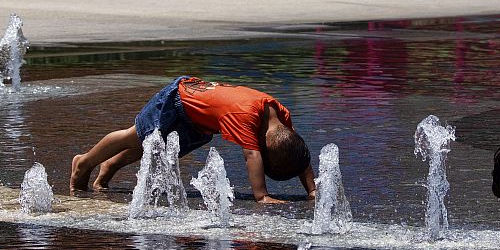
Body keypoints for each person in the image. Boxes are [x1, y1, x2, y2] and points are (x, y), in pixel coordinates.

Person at [70, 76, 317, 204]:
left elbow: (298, 154)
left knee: (154, 148)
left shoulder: (281, 118)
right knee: (135, 135)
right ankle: (85, 162)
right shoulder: (246, 118)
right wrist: (261, 196)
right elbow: (251, 155)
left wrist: (312, 190)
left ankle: (109, 166)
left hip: (197, 119)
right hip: (178, 98)